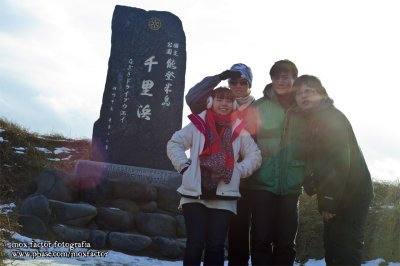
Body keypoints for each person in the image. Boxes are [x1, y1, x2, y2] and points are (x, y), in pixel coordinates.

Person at [167, 87, 262, 266]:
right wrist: (184, 166)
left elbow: (255, 155)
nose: (224, 104)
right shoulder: (198, 123)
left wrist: (238, 171)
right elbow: (175, 143)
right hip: (194, 194)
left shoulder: (239, 128)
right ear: (211, 102)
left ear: (233, 104)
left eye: (228, 100)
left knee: (215, 246)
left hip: (225, 195)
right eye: (219, 99)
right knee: (194, 245)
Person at [293, 75, 373, 266]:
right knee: (334, 251)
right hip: (341, 194)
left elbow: (338, 161)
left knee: (344, 252)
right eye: (299, 93)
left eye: (309, 92)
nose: (303, 96)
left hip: (350, 195)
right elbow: (317, 159)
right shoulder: (314, 119)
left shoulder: (330, 117)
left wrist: (329, 201)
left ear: (321, 94)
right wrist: (311, 183)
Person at [185, 63, 257, 265]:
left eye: (243, 81)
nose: (237, 85)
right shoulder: (212, 104)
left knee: (239, 236)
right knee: (202, 240)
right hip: (207, 182)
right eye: (233, 81)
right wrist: (219, 76)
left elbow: (257, 148)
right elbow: (191, 97)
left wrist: (240, 170)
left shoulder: (257, 108)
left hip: (243, 181)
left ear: (250, 84)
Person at [246, 59, 306, 265]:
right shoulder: (259, 107)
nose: (282, 81)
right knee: (261, 239)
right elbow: (245, 142)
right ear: (272, 79)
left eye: (286, 77)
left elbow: (314, 145)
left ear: (294, 80)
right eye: (277, 76)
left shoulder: (304, 109)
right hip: (262, 183)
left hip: (291, 186)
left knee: (286, 242)